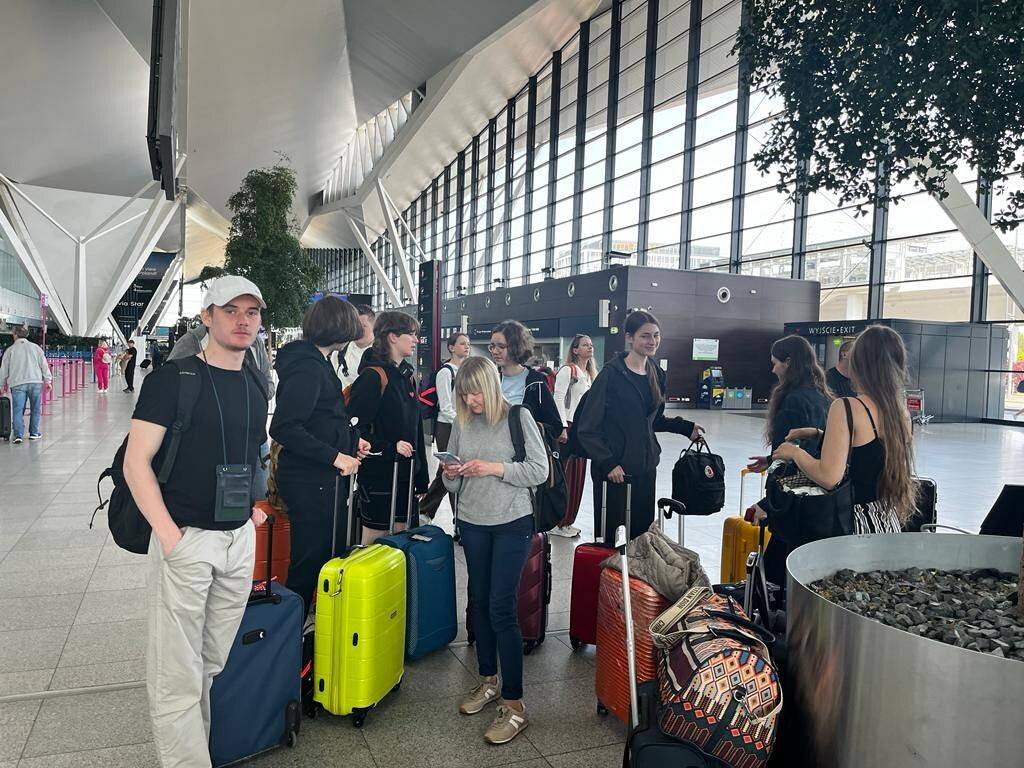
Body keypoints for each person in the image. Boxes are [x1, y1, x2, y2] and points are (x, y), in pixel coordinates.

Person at [123, 276, 271, 768]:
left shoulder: (255, 380)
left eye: (252, 312)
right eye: (231, 310)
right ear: (206, 317)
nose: (243, 320)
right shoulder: (174, 379)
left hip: (237, 539)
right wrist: (170, 537)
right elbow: (136, 463)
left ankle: (194, 747)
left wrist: (251, 510)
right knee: (176, 673)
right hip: (186, 538)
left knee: (208, 663)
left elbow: (247, 451)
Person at [441, 356, 548, 745]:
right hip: (472, 522)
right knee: (480, 603)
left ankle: (515, 703)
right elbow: (453, 485)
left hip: (511, 523)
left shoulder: (518, 417)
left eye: (475, 394)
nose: (470, 401)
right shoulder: (462, 423)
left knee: (502, 607)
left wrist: (493, 468)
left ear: (490, 386)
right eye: (464, 395)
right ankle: (489, 681)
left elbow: (539, 470)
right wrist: (450, 474)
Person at [269, 297, 369, 614]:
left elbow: (321, 418)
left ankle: (309, 626)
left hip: (318, 478)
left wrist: (352, 440)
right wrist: (335, 456)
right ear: (340, 328)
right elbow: (284, 427)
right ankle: (290, 629)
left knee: (321, 555)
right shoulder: (308, 368)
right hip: (310, 481)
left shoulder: (316, 361)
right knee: (309, 560)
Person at [771, 325, 917, 535]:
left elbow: (829, 477)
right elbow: (870, 454)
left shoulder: (847, 407)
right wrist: (819, 434)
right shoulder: (901, 413)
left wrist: (794, 452)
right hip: (886, 520)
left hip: (852, 525)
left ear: (858, 363)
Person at [576, 310, 703, 543]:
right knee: (614, 539)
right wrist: (608, 462)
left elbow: (653, 420)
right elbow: (588, 427)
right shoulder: (611, 375)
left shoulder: (657, 374)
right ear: (629, 338)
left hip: (645, 467)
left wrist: (686, 428)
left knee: (641, 536)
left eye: (656, 335)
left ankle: (636, 569)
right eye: (645, 336)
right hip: (615, 472)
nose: (652, 341)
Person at [747, 335, 833, 586]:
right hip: (815, 500)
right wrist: (769, 458)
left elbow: (790, 460)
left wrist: (768, 503)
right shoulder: (823, 396)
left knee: (775, 577)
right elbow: (811, 449)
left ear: (788, 362)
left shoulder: (793, 400)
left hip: (792, 503)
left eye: (775, 363)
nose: (773, 370)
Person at [347, 311, 429, 544]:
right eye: (411, 334)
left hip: (406, 477)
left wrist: (421, 476)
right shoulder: (373, 377)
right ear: (393, 336)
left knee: (402, 542)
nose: (416, 340)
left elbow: (415, 428)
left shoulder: (407, 376)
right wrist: (390, 448)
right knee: (375, 542)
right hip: (379, 478)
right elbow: (354, 429)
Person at [419, 331, 471, 521]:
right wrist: (463, 423)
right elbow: (446, 406)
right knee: (451, 470)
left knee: (451, 470)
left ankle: (426, 510)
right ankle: (454, 517)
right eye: (462, 343)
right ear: (451, 348)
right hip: (447, 427)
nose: (467, 347)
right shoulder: (445, 372)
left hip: (462, 425)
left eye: (468, 343)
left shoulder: (466, 371)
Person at [550, 334, 598, 538]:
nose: (590, 347)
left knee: (578, 477)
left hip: (582, 429)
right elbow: (558, 398)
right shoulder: (568, 370)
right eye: (585, 345)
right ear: (575, 349)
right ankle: (558, 522)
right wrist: (562, 427)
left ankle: (568, 520)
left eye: (591, 345)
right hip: (568, 426)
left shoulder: (589, 375)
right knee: (566, 476)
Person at [488, 320, 562, 442]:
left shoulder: (536, 382)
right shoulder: (489, 379)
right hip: (491, 448)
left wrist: (528, 428)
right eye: (492, 346)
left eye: (501, 346)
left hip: (524, 451)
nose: (495, 351)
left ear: (516, 346)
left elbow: (555, 426)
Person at [0, 325, 52, 444]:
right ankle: (34, 433)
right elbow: (44, 365)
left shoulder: (10, 350)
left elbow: (3, 370)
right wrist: (48, 381)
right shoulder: (36, 348)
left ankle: (18, 435)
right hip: (35, 382)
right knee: (36, 408)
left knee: (18, 410)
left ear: (15, 335)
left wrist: (1, 386)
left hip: (17, 383)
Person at [331, 303, 375, 390]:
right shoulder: (340, 350)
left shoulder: (382, 352)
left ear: (373, 327)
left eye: (363, 326)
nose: (358, 330)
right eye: (355, 326)